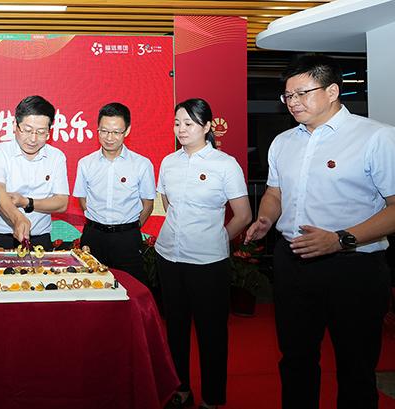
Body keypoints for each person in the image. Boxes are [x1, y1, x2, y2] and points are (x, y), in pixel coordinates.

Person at [245, 54, 395, 409]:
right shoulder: (283, 142)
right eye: (288, 95)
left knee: (356, 366)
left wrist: (339, 239)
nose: (293, 102)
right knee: (295, 360)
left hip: (354, 267)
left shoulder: (376, 137)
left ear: (332, 91)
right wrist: (265, 219)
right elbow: (275, 193)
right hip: (292, 262)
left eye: (302, 93)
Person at [156, 98, 251, 409]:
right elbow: (169, 206)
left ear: (207, 126)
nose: (181, 129)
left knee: (212, 333)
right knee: (176, 329)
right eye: (177, 123)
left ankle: (212, 398)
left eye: (189, 123)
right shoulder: (168, 162)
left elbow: (243, 215)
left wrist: (216, 238)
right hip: (169, 257)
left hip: (208, 264)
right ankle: (181, 390)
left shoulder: (225, 164)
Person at [73, 102, 156, 286]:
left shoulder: (142, 164)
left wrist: (131, 228)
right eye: (104, 131)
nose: (109, 137)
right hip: (94, 237)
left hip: (127, 239)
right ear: (97, 129)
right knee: (91, 289)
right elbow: (82, 199)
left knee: (131, 288)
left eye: (116, 132)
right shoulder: (86, 163)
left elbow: (148, 204)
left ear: (127, 131)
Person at [0, 95, 69, 249]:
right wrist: (18, 219)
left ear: (49, 132)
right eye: (27, 130)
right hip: (0, 238)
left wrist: (26, 202)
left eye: (41, 132)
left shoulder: (56, 157)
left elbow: (62, 203)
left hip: (40, 240)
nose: (33, 139)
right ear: (15, 125)